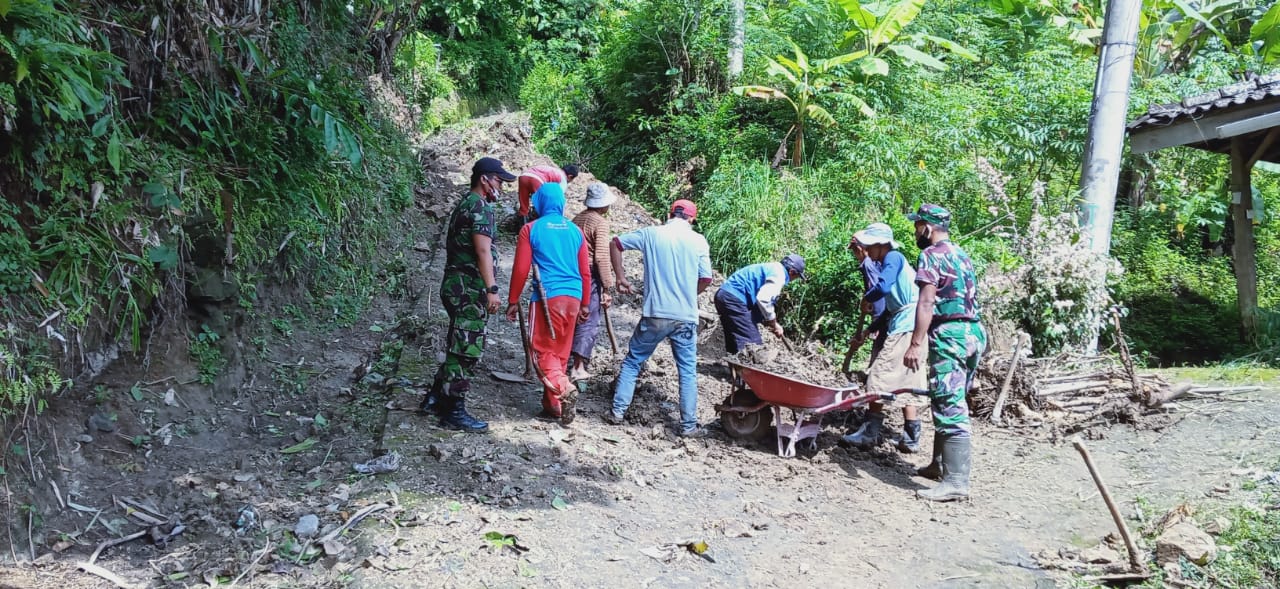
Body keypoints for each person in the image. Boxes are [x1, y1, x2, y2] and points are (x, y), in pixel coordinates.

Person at [422, 157, 517, 433]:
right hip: (469, 289)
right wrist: (492, 289)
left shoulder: (465, 203)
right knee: (465, 350)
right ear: (485, 179)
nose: (502, 186)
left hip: (456, 286)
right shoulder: (480, 208)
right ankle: (453, 410)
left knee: (459, 342)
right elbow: (483, 251)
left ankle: (436, 397)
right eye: (500, 181)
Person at [605, 199, 713, 437]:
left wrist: (620, 277)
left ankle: (617, 412)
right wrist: (688, 294)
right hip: (685, 316)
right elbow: (706, 279)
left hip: (655, 313)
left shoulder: (651, 234)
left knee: (633, 361)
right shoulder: (698, 241)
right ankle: (688, 426)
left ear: (669, 214)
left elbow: (616, 243)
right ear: (692, 219)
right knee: (687, 371)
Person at [902, 204, 987, 502]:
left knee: (949, 402)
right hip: (974, 333)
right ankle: (939, 465)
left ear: (928, 227)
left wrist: (915, 343)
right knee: (947, 396)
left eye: (917, 226)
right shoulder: (963, 255)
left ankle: (956, 482)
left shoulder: (930, 255)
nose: (915, 232)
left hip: (950, 334)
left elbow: (926, 303)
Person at [506, 183, 592, 425]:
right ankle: (553, 405)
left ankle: (564, 388)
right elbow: (585, 272)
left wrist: (513, 300)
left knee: (541, 350)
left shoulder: (531, 229)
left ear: (539, 203)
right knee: (560, 353)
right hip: (573, 298)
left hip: (548, 297)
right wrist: (585, 304)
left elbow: (521, 269)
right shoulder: (576, 232)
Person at [840, 223, 928, 452]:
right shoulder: (892, 262)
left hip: (906, 325)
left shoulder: (894, 257)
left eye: (870, 246)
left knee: (877, 376)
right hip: (908, 323)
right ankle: (910, 437)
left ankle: (869, 433)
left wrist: (867, 298)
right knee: (907, 383)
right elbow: (890, 309)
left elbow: (883, 287)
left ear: (880, 245)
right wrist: (870, 330)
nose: (868, 251)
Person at [569, 182, 618, 381]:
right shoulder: (600, 223)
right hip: (589, 274)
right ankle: (578, 366)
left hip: (571, 272)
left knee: (574, 316)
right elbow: (601, 257)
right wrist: (607, 286)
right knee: (589, 320)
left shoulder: (576, 219)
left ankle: (565, 359)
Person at [713, 255, 807, 354]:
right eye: (796, 277)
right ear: (792, 272)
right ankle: (748, 368)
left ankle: (735, 368)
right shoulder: (779, 275)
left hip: (724, 295)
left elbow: (758, 302)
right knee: (753, 345)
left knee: (733, 339)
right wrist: (773, 323)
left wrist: (770, 322)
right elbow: (764, 300)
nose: (793, 280)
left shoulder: (772, 268)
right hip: (734, 299)